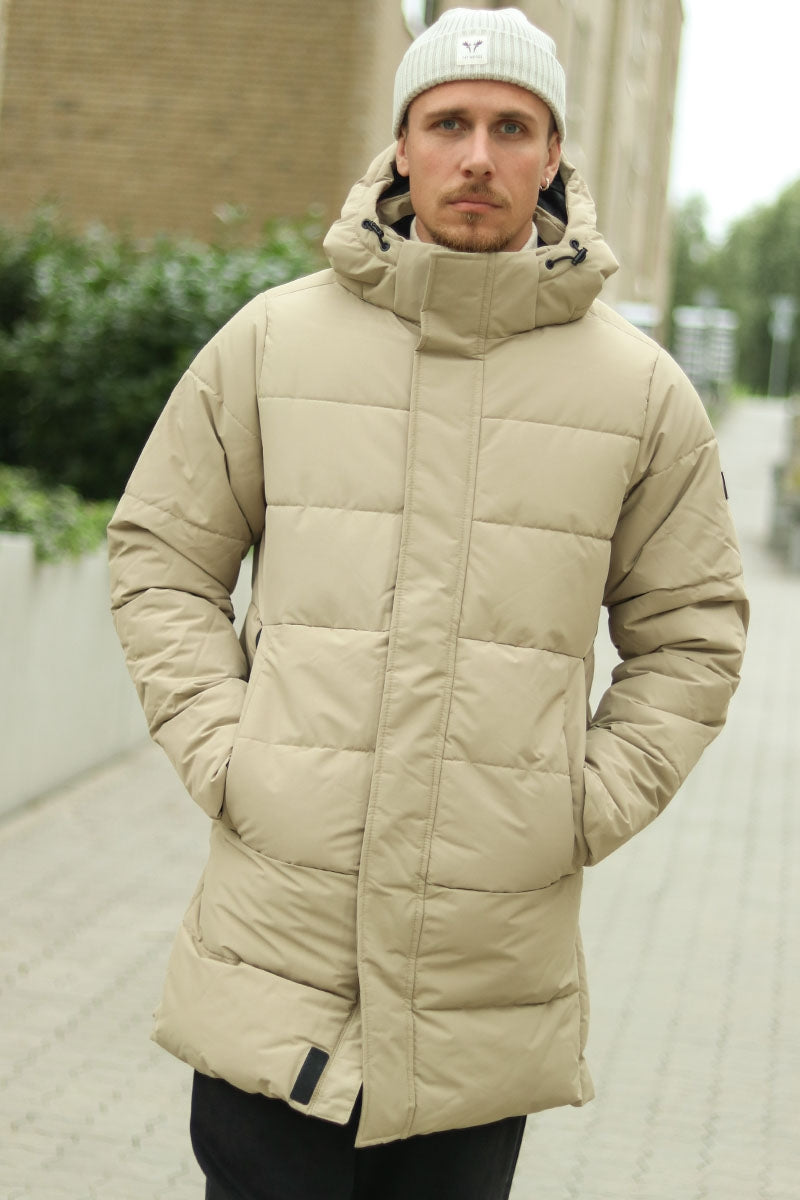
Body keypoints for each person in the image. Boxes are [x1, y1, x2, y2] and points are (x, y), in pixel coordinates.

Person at [108, 8, 747, 1199]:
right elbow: (161, 556)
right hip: (276, 953)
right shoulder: (272, 344)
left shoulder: (640, 394)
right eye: (447, 123)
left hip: (481, 982)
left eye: (511, 127)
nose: (477, 156)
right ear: (399, 145)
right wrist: (228, 751)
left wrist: (577, 804)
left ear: (552, 155)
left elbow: (693, 636)